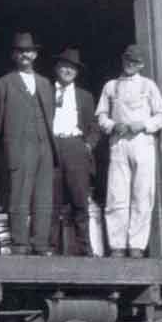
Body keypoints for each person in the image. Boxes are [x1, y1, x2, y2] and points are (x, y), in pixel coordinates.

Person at [96, 44, 162, 258]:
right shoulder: (111, 86)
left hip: (142, 143)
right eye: (128, 60)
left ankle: (136, 245)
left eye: (135, 62)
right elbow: (101, 116)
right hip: (119, 143)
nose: (131, 64)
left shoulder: (149, 86)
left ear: (142, 65)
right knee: (116, 194)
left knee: (142, 194)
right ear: (122, 60)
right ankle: (117, 245)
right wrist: (111, 125)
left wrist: (144, 125)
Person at [0, 32, 55, 254]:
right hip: (20, 144)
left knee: (43, 195)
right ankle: (20, 243)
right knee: (20, 194)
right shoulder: (3, 84)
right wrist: (12, 139)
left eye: (28, 51)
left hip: (44, 143)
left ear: (35, 54)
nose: (25, 55)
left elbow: (51, 114)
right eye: (20, 51)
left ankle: (41, 242)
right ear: (14, 56)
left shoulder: (45, 83)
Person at [47, 48, 100, 257]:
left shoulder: (85, 96)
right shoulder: (46, 91)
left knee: (80, 201)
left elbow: (95, 126)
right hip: (52, 147)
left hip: (76, 147)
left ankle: (85, 248)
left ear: (77, 72)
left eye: (72, 68)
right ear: (57, 68)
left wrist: (87, 145)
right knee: (52, 200)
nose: (67, 70)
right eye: (64, 66)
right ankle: (49, 249)